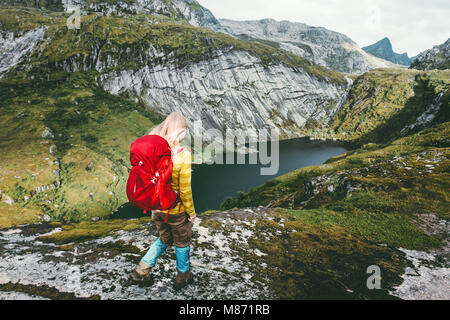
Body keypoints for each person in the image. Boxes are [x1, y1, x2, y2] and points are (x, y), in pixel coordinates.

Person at [130, 112, 196, 291]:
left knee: (164, 238)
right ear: (180, 131)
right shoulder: (183, 155)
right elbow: (185, 189)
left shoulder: (154, 149)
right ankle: (183, 275)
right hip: (175, 210)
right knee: (182, 240)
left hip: (156, 208)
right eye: (184, 131)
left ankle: (142, 270)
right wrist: (191, 212)